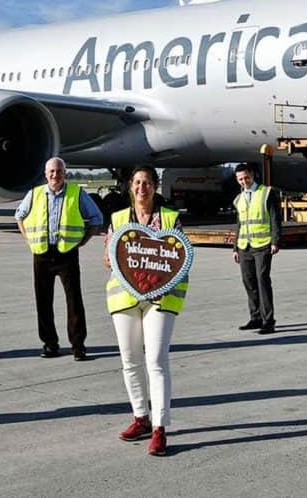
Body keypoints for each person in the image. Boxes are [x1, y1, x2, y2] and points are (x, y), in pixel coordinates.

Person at [104, 166, 188, 457]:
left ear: (155, 187)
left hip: (160, 299)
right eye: (137, 182)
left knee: (156, 360)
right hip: (124, 299)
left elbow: (181, 258)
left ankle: (160, 428)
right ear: (130, 187)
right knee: (130, 360)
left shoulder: (170, 218)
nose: (142, 188)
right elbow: (108, 258)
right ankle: (141, 416)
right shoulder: (117, 219)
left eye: (148, 183)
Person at [15, 157, 104, 360]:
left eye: (59, 171)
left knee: (74, 301)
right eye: (52, 172)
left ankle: (78, 346)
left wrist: (83, 240)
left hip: (67, 253)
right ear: (46, 174)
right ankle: (50, 344)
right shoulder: (35, 194)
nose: (55, 175)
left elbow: (96, 218)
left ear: (65, 173)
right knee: (43, 300)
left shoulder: (76, 193)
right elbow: (19, 215)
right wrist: (28, 240)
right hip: (42, 254)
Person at [232, 162, 282, 334]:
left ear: (252, 176)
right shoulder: (239, 198)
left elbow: (276, 219)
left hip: (263, 244)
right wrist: (235, 248)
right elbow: (239, 224)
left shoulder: (267, 193)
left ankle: (268, 321)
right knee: (249, 282)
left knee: (262, 280)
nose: (244, 181)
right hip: (244, 246)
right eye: (240, 179)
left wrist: (276, 241)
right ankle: (255, 318)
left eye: (246, 177)